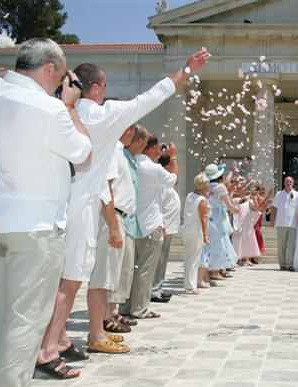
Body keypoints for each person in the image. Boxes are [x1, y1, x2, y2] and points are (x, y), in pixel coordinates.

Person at [38, 48, 210, 370]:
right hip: (84, 206)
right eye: (104, 86)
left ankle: (60, 339)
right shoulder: (105, 115)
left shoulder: (60, 111)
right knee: (71, 281)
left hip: (56, 203)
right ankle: (47, 349)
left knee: (65, 279)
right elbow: (154, 95)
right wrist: (187, 68)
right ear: (97, 88)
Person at [0, 38, 91, 387]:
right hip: (35, 229)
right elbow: (83, 154)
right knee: (26, 317)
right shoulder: (51, 109)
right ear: (51, 69)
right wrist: (69, 105)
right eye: (62, 74)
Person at [122, 136, 177, 320]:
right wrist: (173, 157)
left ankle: (126, 305)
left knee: (133, 268)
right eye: (158, 148)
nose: (160, 151)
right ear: (150, 148)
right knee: (146, 269)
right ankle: (140, 308)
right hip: (151, 224)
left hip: (133, 224)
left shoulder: (131, 163)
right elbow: (172, 179)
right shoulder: (153, 168)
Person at [104, 125, 148, 332]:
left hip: (125, 217)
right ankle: (106, 316)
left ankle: (113, 312)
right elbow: (108, 187)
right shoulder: (114, 150)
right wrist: (113, 225)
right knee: (112, 270)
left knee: (123, 269)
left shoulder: (123, 153)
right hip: (116, 215)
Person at [152, 151, 181, 303]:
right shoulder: (162, 183)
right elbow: (159, 206)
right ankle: (154, 290)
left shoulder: (165, 183)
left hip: (169, 227)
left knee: (162, 261)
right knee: (158, 260)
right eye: (173, 163)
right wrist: (162, 224)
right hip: (164, 227)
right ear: (168, 165)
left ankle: (158, 288)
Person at [203, 163, 240, 280]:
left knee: (210, 245)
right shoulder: (220, 187)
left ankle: (209, 270)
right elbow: (229, 204)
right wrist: (236, 210)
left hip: (208, 216)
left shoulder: (205, 186)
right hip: (218, 219)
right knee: (219, 244)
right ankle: (215, 271)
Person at [181, 173, 211, 294]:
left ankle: (188, 283)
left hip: (187, 229)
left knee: (189, 258)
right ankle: (191, 286)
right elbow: (203, 219)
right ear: (204, 186)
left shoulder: (190, 195)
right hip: (196, 231)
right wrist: (205, 235)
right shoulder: (202, 200)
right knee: (194, 259)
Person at [271, 176, 298, 271]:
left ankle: (290, 264)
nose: (288, 183)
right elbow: (274, 207)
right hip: (281, 223)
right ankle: (282, 264)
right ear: (284, 183)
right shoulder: (279, 194)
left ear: (293, 183)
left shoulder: (297, 194)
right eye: (287, 182)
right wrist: (272, 219)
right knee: (281, 245)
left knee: (291, 245)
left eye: (290, 182)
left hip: (293, 223)